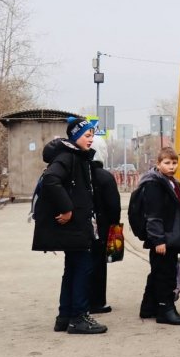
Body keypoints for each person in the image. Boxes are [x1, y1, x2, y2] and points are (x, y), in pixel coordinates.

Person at [32, 117, 107, 334]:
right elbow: (51, 180)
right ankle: (79, 318)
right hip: (74, 226)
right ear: (75, 137)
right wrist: (67, 209)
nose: (90, 139)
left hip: (76, 226)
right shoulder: (68, 157)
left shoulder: (75, 156)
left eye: (92, 135)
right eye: (86, 135)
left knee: (72, 269)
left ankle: (64, 316)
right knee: (82, 269)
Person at [138, 147, 180, 325]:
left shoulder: (170, 181)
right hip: (163, 238)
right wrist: (158, 240)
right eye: (167, 163)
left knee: (158, 272)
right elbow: (153, 215)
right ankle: (165, 309)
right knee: (165, 274)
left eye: (174, 162)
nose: (171, 166)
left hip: (170, 236)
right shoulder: (155, 184)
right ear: (158, 164)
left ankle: (148, 307)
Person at [89, 149, 120, 314]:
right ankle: (97, 302)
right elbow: (114, 206)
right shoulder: (105, 176)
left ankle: (83, 300)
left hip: (83, 228)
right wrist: (114, 227)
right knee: (99, 265)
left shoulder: (80, 173)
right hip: (101, 229)